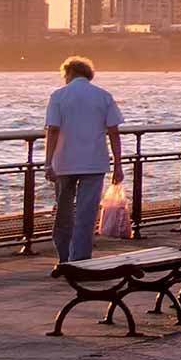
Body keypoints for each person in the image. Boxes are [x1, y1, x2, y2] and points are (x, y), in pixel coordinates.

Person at [42, 58, 126, 265]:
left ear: (68, 73)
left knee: (63, 212)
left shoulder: (58, 96)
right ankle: (80, 259)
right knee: (86, 214)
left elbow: (52, 130)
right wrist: (118, 165)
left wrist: (48, 163)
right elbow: (114, 132)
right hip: (94, 162)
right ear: (88, 74)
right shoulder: (103, 96)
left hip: (64, 162)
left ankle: (63, 259)